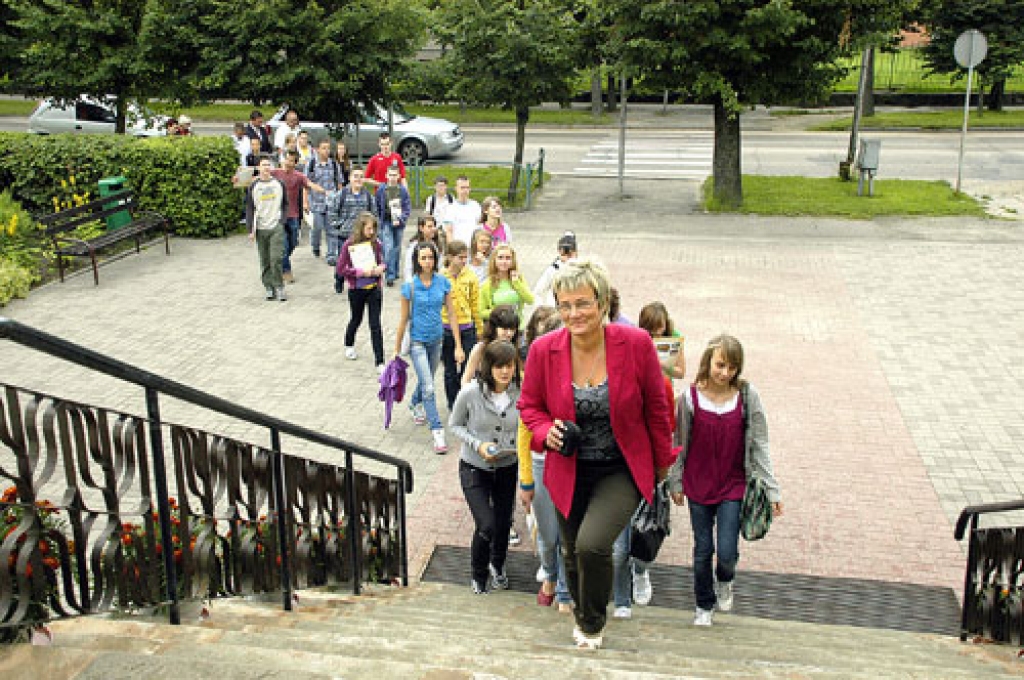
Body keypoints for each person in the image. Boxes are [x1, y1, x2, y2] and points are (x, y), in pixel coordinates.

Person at [518, 258, 674, 650]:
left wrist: (660, 470)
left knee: (592, 545)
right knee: (570, 552)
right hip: (569, 468)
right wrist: (544, 432)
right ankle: (584, 614)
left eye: (583, 303)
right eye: (565, 304)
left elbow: (657, 408)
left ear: (603, 302)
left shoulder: (635, 344)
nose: (574, 313)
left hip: (620, 468)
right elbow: (529, 406)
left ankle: (592, 624)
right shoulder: (543, 350)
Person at [667, 334, 783, 627]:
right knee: (703, 547)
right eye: (720, 365)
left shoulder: (746, 396)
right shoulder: (690, 399)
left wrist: (772, 490)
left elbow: (760, 443)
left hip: (733, 484)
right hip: (698, 483)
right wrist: (675, 482)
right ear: (708, 361)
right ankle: (703, 604)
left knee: (727, 550)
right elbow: (677, 441)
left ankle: (725, 580)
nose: (725, 373)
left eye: (732, 367)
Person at [449, 340, 521, 595]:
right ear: (488, 366)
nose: (505, 371)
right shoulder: (470, 393)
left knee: (503, 522)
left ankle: (498, 566)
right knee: (486, 524)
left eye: (510, 366)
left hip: (507, 466)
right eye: (500, 366)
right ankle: (478, 574)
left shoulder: (521, 394)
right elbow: (455, 425)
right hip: (474, 467)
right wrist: (477, 444)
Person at [516, 306, 573, 611]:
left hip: (572, 463)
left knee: (568, 534)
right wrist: (525, 480)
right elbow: (524, 431)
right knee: (549, 535)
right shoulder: (536, 374)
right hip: (540, 462)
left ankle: (564, 589)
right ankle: (550, 574)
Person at [393, 241, 464, 454]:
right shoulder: (410, 287)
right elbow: (403, 319)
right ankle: (438, 432)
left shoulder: (443, 283)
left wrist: (458, 345)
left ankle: (415, 402)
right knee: (430, 388)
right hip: (417, 342)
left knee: (427, 381)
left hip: (437, 340)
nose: (427, 262)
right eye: (423, 258)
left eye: (431, 257)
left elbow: (451, 314)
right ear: (417, 261)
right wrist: (396, 351)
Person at [337, 212, 387, 374]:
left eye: (373, 228)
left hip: (374, 288)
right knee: (356, 318)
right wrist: (359, 272)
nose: (371, 232)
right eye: (368, 229)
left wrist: (381, 268)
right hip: (357, 289)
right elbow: (341, 268)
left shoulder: (376, 244)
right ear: (361, 228)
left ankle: (380, 360)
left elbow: (381, 261)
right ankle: (349, 343)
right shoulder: (349, 245)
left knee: (375, 324)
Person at [272, 150, 326, 284]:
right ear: (283, 159)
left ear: (295, 163)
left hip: (294, 214)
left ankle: (280, 259)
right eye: (287, 159)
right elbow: (259, 177)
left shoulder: (298, 176)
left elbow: (310, 184)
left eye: (292, 160)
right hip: (279, 215)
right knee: (283, 243)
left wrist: (325, 191)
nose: (289, 163)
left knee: (293, 241)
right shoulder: (276, 173)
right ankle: (286, 270)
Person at [441, 240, 482, 410]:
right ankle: (452, 403)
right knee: (450, 370)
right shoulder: (441, 277)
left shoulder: (470, 276)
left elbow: (475, 304)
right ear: (450, 257)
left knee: (468, 369)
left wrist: (479, 328)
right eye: (460, 257)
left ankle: (466, 403)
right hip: (446, 328)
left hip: (467, 328)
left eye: (466, 257)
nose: (463, 261)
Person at [245, 159, 288, 301]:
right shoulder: (254, 186)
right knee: (265, 259)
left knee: (276, 258)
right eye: (263, 165)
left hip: (276, 226)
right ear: (258, 167)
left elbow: (285, 203)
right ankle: (269, 287)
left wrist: (282, 221)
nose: (266, 168)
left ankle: (279, 286)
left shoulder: (278, 184)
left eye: (268, 165)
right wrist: (250, 229)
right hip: (260, 227)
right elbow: (250, 208)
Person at [326, 168, 376, 268]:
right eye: (355, 176)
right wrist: (340, 226)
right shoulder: (341, 194)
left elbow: (374, 215)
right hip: (344, 237)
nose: (358, 179)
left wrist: (370, 231)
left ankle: (355, 284)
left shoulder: (368, 196)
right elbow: (332, 212)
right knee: (342, 266)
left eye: (361, 177)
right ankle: (339, 283)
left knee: (361, 268)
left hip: (362, 239)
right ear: (350, 178)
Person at [462, 305, 520, 388]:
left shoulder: (516, 348)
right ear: (494, 327)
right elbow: (466, 379)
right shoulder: (481, 348)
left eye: (512, 329)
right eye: (505, 329)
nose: (509, 333)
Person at [306, 139, 344, 259]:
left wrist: (340, 198)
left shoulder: (334, 164)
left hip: (331, 202)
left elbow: (339, 183)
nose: (326, 151)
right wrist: (305, 202)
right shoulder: (311, 164)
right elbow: (306, 184)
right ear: (318, 149)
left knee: (332, 229)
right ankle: (315, 245)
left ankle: (331, 255)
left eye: (328, 148)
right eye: (323, 148)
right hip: (316, 202)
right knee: (317, 227)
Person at [375, 165, 412, 287]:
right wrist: (378, 220)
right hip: (386, 221)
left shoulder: (402, 191)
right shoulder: (381, 189)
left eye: (394, 175)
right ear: (386, 175)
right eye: (390, 175)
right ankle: (389, 274)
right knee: (388, 246)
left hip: (399, 223)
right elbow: (377, 205)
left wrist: (401, 219)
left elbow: (407, 208)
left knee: (397, 247)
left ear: (399, 176)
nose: (392, 177)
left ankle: (395, 270)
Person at [479, 243, 534, 322]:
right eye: (500, 258)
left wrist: (516, 283)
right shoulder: (488, 284)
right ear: (494, 260)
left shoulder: (518, 279)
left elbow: (530, 300)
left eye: (508, 258)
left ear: (512, 261)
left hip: (519, 327)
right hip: (499, 329)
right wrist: (500, 313)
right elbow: (481, 312)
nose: (504, 261)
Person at [639, 301, 686, 380]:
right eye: (652, 329)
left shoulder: (674, 337)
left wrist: (662, 364)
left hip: (665, 385)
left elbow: (681, 373)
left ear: (666, 323)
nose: (657, 332)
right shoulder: (638, 336)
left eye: (660, 327)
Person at [533, 231, 577, 308]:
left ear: (576, 253)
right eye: (563, 255)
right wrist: (541, 308)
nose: (566, 259)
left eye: (569, 255)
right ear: (558, 253)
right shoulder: (553, 270)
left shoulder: (582, 269)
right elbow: (537, 291)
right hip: (555, 311)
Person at [445, 176, 481, 246]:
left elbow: (480, 227)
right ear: (456, 189)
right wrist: (453, 249)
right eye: (462, 188)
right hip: (458, 248)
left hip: (474, 247)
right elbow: (449, 232)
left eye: (467, 187)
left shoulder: (476, 205)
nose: (465, 190)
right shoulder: (450, 208)